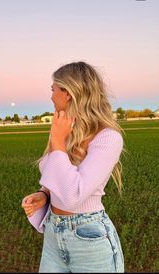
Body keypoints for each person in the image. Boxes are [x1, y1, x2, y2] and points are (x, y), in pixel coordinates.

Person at [21, 61, 127, 273]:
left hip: (89, 239)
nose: (51, 97)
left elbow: (73, 196)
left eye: (54, 90)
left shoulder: (108, 138)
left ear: (68, 93)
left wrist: (58, 142)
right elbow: (59, 175)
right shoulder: (67, 131)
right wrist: (45, 195)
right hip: (53, 233)